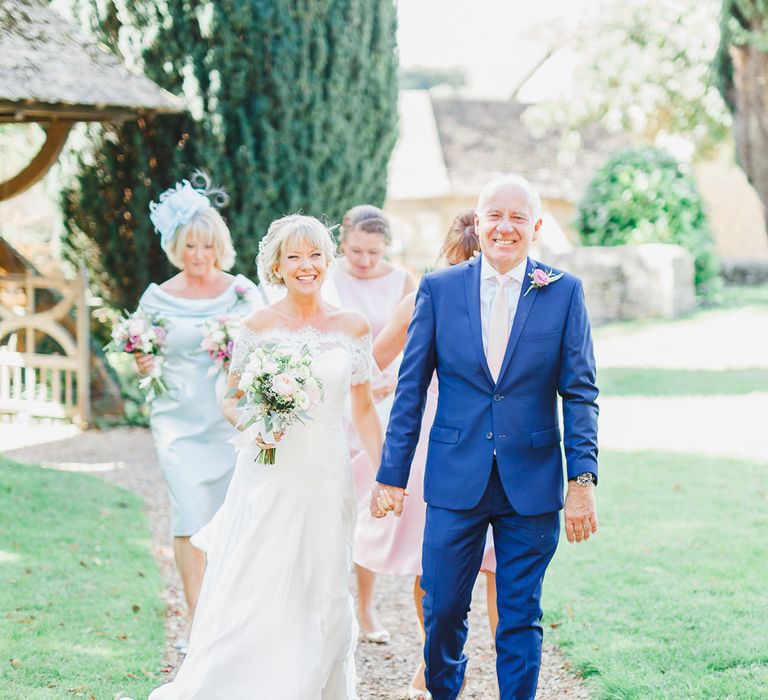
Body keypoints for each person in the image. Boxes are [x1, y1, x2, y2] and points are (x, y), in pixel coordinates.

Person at [372, 175, 599, 700]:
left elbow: (581, 393)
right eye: (495, 214)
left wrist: (581, 480)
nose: (505, 226)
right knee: (443, 606)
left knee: (520, 614)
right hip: (455, 478)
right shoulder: (438, 289)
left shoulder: (563, 292)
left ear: (536, 228)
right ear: (478, 221)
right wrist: (391, 475)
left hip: (533, 482)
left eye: (518, 217)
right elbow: (410, 391)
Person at [149, 214, 383, 699]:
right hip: (269, 473)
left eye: (316, 254)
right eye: (294, 256)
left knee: (324, 586)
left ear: (327, 261)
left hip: (326, 476)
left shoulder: (352, 327)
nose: (306, 265)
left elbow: (362, 409)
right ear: (276, 265)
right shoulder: (258, 325)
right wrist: (258, 428)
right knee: (262, 579)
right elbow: (231, 398)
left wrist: (386, 476)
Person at [361, 210, 496, 700]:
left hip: (498, 444)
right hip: (438, 443)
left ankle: (498, 671)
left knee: (489, 564)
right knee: (435, 560)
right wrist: (378, 389)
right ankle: (432, 658)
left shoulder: (526, 294)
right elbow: (372, 358)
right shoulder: (428, 293)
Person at [136, 175, 262, 645]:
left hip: (229, 417)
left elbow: (270, 342)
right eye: (190, 245)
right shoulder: (157, 296)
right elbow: (143, 350)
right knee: (189, 511)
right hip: (177, 419)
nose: (199, 255)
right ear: (176, 247)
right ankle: (197, 621)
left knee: (233, 517)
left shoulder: (243, 293)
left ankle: (231, 615)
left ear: (219, 247)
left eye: (207, 246)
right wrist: (142, 358)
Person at [332, 204, 416, 643]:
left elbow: (418, 345)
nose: (364, 261)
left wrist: (386, 381)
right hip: (332, 401)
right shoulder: (327, 275)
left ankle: (366, 609)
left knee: (370, 507)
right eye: (356, 251)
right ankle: (328, 604)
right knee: (330, 505)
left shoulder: (404, 281)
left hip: (380, 404)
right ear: (342, 242)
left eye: (373, 253)